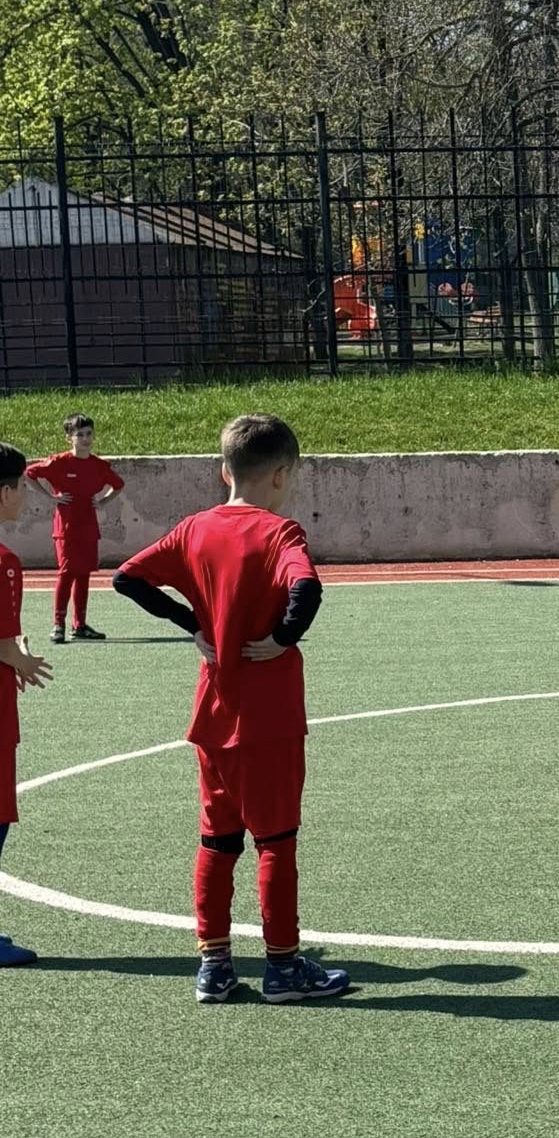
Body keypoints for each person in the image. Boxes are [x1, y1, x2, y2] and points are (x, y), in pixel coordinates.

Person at [113, 414, 350, 1005]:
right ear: (281, 474)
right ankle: (283, 966)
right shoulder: (281, 532)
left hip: (214, 712)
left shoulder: (194, 528)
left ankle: (214, 966)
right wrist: (283, 637)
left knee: (217, 841)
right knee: (276, 840)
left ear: (224, 472)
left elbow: (127, 578)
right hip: (268, 717)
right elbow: (307, 588)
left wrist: (193, 624)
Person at [0, 443, 53, 966]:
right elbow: (3, 643)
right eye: (19, 487)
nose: (24, 497)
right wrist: (22, 660)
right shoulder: (5, 563)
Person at [26, 415, 124, 644]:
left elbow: (118, 485)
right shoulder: (59, 462)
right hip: (66, 529)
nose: (85, 439)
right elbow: (30, 474)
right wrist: (51, 497)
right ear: (69, 438)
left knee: (83, 574)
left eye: (89, 434)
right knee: (66, 572)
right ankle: (58, 624)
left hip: (88, 528)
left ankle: (79, 625)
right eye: (80, 434)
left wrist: (103, 502)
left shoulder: (99, 465)